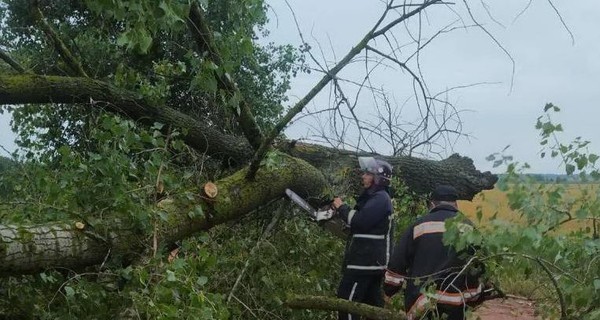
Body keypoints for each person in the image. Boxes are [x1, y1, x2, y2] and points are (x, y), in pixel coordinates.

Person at [383, 185, 483, 320]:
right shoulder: (470, 227)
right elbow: (480, 266)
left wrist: (389, 290)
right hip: (456, 302)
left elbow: (398, 261)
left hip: (422, 301)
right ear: (456, 204)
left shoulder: (419, 226)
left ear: (432, 204)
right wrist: (475, 295)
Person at [332, 156, 394, 320]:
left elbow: (360, 221)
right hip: (368, 264)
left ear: (378, 178)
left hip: (365, 264)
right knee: (373, 308)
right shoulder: (375, 198)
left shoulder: (380, 198)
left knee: (347, 302)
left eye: (367, 174)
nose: (363, 177)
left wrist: (342, 207)